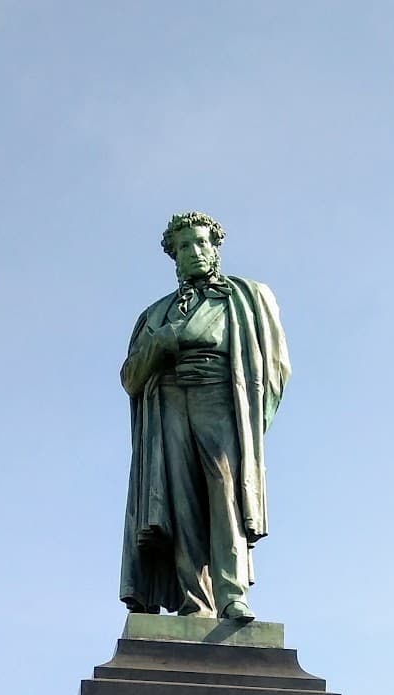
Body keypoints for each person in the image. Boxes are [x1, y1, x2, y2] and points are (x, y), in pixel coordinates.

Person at [119, 212, 290, 620]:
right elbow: (130, 378)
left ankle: (232, 595)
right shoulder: (156, 313)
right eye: (183, 247)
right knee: (181, 500)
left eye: (200, 243)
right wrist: (160, 345)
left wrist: (251, 420)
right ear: (173, 257)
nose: (193, 252)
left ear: (215, 248)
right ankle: (196, 602)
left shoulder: (247, 297)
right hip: (171, 403)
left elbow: (277, 367)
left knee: (224, 491)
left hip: (221, 397)